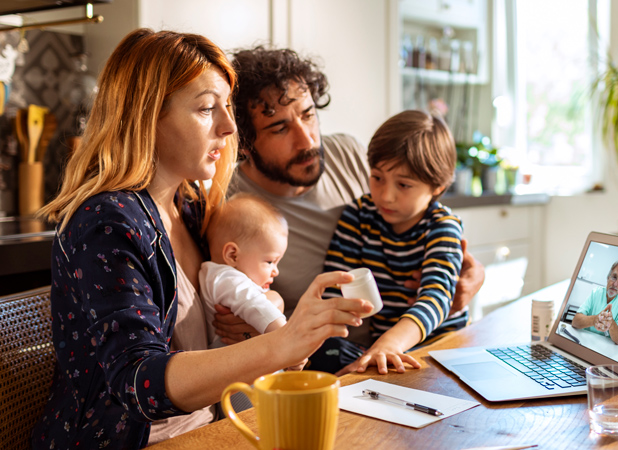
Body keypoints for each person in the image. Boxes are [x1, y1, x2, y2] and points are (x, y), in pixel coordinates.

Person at [31, 29, 370, 450]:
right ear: (146, 116)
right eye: (208, 108)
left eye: (226, 107)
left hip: (210, 431)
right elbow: (139, 381)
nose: (229, 127)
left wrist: (263, 314)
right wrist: (282, 343)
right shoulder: (107, 222)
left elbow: (232, 307)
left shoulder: (191, 208)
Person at [220, 46, 485, 351]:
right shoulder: (227, 203)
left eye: (308, 115)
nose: (307, 140)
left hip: (419, 342)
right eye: (280, 128)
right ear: (243, 143)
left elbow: (438, 251)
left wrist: (470, 277)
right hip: (321, 351)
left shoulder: (349, 152)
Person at [312, 109, 468, 375]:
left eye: (404, 185)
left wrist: (391, 343)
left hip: (438, 350)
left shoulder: (442, 226)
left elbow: (437, 297)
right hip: (382, 351)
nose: (386, 196)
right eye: (377, 178)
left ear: (437, 186)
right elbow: (334, 290)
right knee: (325, 354)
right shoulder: (358, 216)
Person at [200, 193, 288, 347]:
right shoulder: (225, 278)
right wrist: (291, 341)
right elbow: (257, 306)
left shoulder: (223, 276)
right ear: (232, 255)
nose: (276, 272)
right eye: (270, 261)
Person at [572, 257, 618, 344]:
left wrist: (610, 323)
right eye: (614, 277)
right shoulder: (596, 292)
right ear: (608, 277)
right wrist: (595, 320)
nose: (615, 284)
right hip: (584, 341)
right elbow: (575, 322)